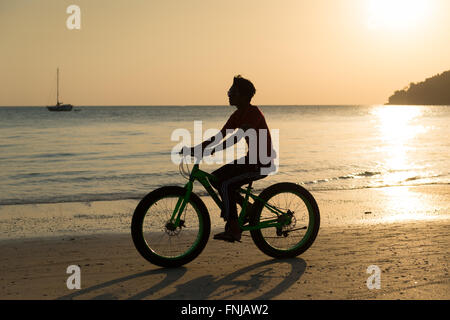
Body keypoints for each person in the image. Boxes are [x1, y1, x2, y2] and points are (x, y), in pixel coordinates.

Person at [184, 75, 276, 243]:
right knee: (217, 179)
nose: (229, 94)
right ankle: (247, 207)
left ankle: (234, 229)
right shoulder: (237, 115)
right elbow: (220, 136)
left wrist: (213, 150)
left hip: (262, 163)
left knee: (226, 185)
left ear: (242, 95)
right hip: (250, 161)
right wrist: (198, 148)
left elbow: (238, 137)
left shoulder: (253, 113)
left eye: (232, 91)